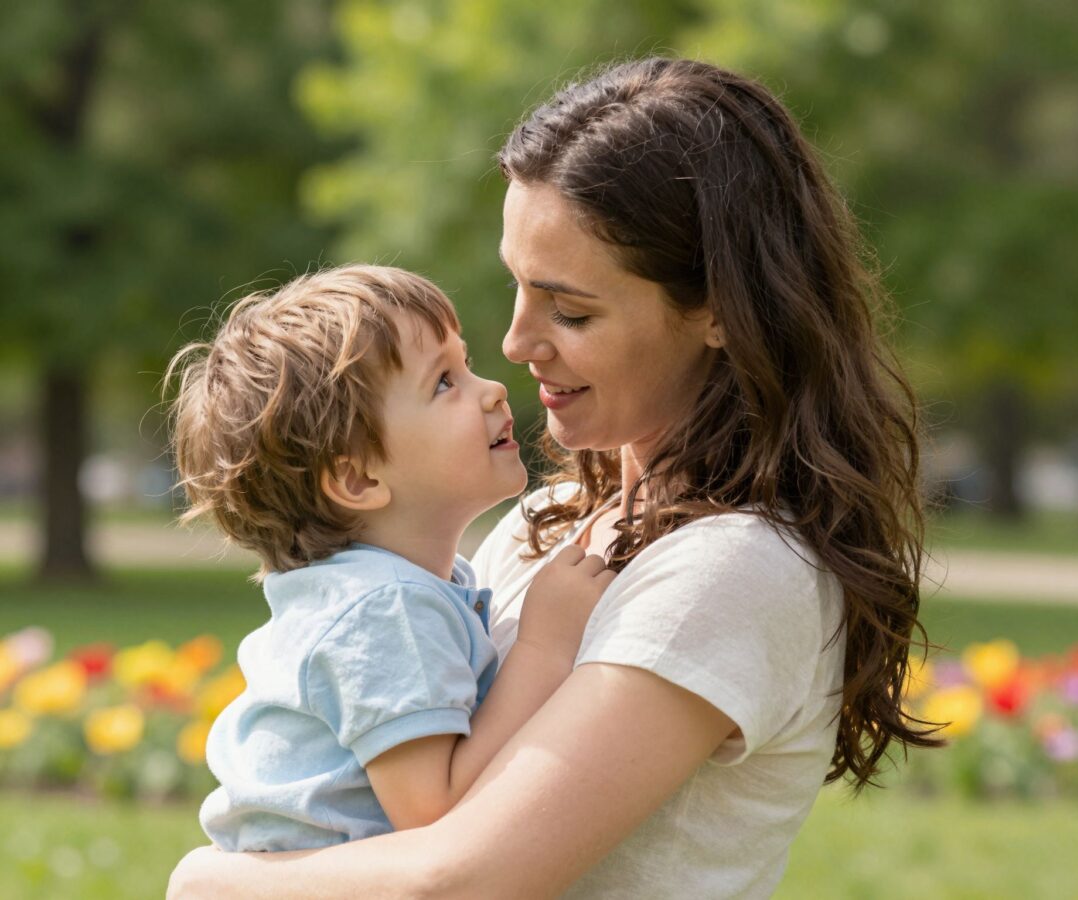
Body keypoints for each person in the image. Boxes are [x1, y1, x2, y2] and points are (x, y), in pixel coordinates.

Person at [170, 57, 940, 899]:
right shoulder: (548, 520)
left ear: (721, 308)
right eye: (517, 287)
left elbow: (457, 881)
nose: (515, 343)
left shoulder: (733, 570)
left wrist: (209, 880)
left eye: (570, 309)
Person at [167, 264, 613, 851]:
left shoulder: (388, 589)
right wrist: (544, 647)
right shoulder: (385, 609)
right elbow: (434, 814)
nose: (494, 389)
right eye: (444, 383)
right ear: (356, 479)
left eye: (467, 364)